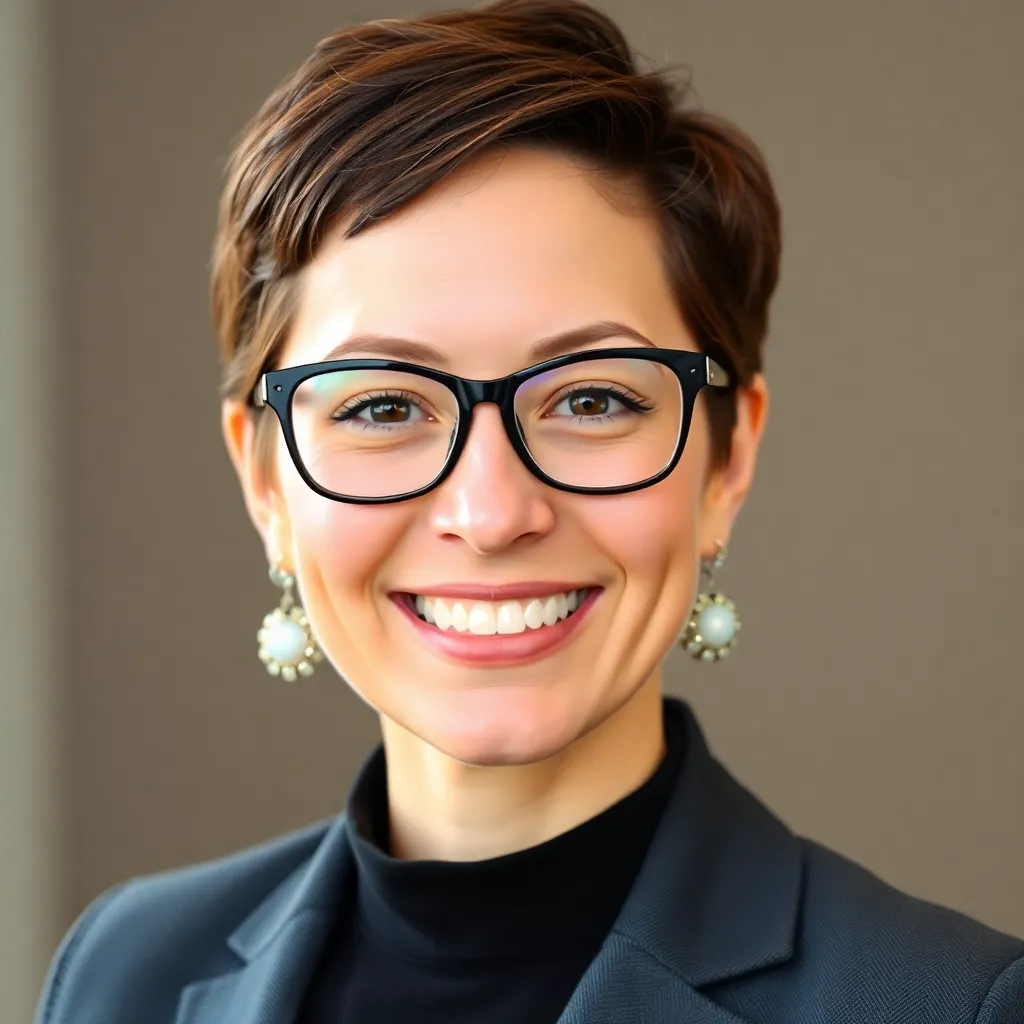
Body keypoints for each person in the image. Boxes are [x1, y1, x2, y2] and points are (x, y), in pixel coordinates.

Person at [35, 1, 1023, 1021]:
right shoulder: (122, 974)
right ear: (264, 481)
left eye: (591, 400)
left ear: (726, 459)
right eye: (382, 405)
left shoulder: (953, 1003)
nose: (491, 509)